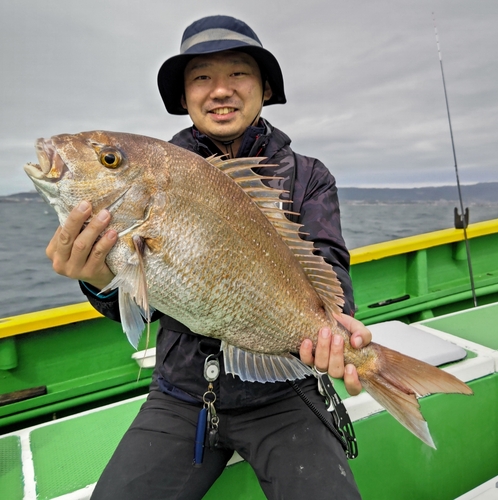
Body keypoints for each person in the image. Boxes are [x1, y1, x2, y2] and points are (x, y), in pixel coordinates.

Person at [47, 15, 370, 500]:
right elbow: (141, 307)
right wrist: (97, 281)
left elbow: (330, 274)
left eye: (238, 73)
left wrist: (338, 327)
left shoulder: (308, 177)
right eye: (201, 77)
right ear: (184, 97)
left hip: (284, 392)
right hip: (180, 393)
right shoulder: (160, 168)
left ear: (264, 88)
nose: (220, 90)